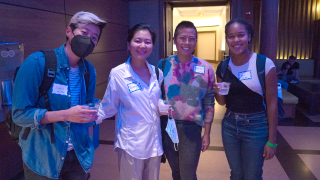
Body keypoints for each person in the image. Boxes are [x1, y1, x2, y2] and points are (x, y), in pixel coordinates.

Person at [12, 11, 106, 180]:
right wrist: (65, 115)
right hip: (43, 157)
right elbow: (19, 115)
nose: (88, 40)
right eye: (84, 33)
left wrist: (89, 144)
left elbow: (89, 111)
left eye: (94, 38)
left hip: (79, 155)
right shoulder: (38, 63)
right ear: (69, 31)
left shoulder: (89, 71)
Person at [96, 23, 168, 180]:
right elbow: (108, 107)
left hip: (154, 143)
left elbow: (155, 99)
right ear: (128, 44)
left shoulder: (157, 72)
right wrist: (87, 118)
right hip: (131, 145)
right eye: (138, 41)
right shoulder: (118, 74)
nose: (143, 45)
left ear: (152, 46)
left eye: (147, 42)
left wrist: (161, 106)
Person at [214, 18, 278, 180]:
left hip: (256, 126)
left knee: (252, 175)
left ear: (249, 37)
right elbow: (221, 102)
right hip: (229, 125)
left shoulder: (264, 64)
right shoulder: (222, 66)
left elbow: (272, 104)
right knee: (236, 174)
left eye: (240, 35)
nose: (236, 40)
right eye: (231, 36)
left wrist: (272, 141)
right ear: (227, 39)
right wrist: (216, 91)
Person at [158, 21, 215, 180]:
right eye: (182, 38)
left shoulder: (206, 68)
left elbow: (209, 102)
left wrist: (207, 134)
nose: (187, 42)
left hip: (191, 128)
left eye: (191, 39)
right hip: (167, 125)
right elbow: (155, 97)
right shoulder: (164, 65)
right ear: (175, 40)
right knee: (176, 172)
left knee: (188, 175)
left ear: (196, 41)